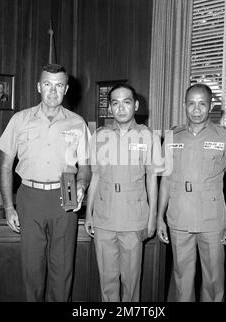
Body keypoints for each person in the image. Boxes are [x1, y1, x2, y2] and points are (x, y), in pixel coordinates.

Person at [0, 63, 91, 302]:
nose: (52, 90)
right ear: (39, 86)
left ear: (66, 89)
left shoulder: (78, 123)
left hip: (65, 193)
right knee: (32, 269)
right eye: (47, 84)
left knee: (62, 269)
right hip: (30, 195)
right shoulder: (19, 120)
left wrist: (80, 186)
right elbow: (5, 167)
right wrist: (9, 207)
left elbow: (86, 168)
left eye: (59, 85)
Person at [157, 83, 226, 302]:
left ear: (211, 107)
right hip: (179, 217)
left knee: (214, 280)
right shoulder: (171, 137)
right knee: (181, 278)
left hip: (212, 220)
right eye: (191, 104)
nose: (196, 110)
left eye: (202, 104)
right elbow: (166, 181)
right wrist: (159, 217)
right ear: (184, 105)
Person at [85, 84, 162, 302]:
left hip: (133, 218)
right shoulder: (99, 136)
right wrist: (89, 213)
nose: (121, 108)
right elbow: (96, 177)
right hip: (104, 216)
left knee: (131, 279)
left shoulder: (148, 136)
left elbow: (152, 180)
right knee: (107, 279)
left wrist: (152, 218)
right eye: (115, 103)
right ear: (110, 107)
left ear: (135, 105)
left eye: (126, 102)